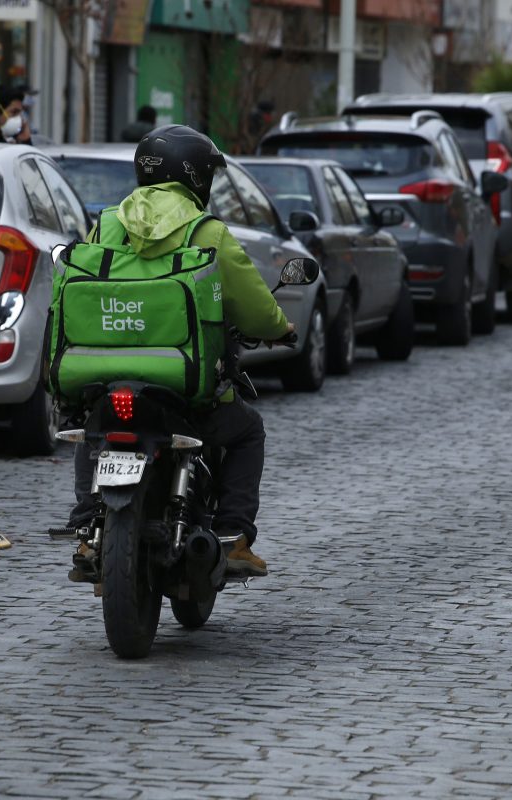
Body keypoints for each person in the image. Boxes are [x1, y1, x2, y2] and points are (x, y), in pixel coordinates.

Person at [59, 124, 294, 578]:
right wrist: (280, 328)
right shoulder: (207, 232)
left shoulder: (106, 224)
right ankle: (232, 537)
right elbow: (253, 307)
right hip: (184, 382)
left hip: (99, 373)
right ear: (195, 177)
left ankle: (88, 527)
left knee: (96, 428)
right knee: (247, 432)